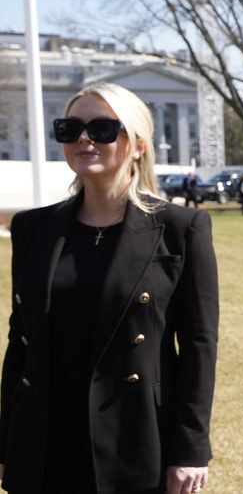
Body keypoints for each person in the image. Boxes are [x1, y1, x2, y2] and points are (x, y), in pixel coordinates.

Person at [0, 82, 219, 494]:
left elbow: (199, 347)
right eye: (70, 129)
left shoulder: (180, 229)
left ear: (137, 144)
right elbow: (20, 342)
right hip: (44, 439)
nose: (83, 138)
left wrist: (190, 449)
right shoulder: (32, 229)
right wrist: (7, 440)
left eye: (102, 128)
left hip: (134, 437)